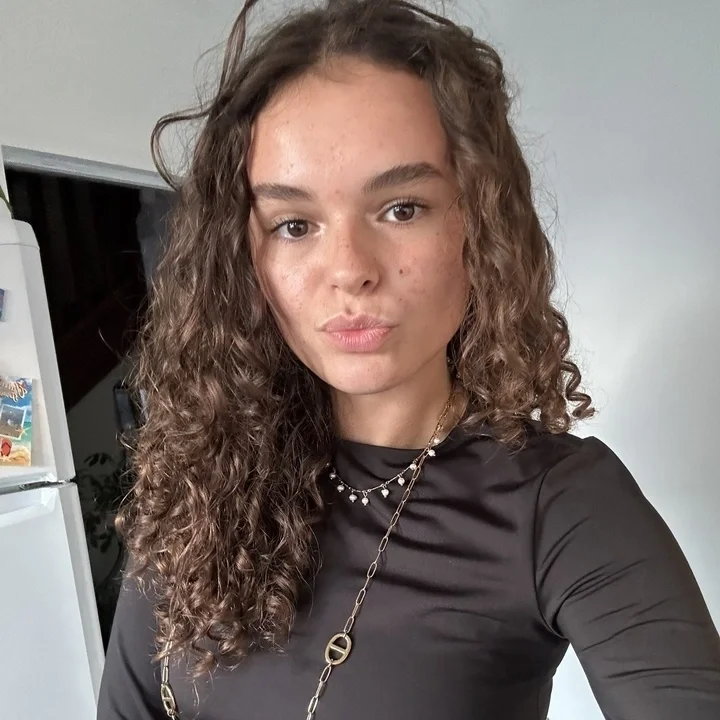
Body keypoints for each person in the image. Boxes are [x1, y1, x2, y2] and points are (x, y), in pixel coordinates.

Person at [96, 1, 720, 718]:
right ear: (245, 257)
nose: (349, 270)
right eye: (294, 225)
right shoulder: (198, 475)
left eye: (402, 209)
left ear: (478, 221)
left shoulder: (557, 505)